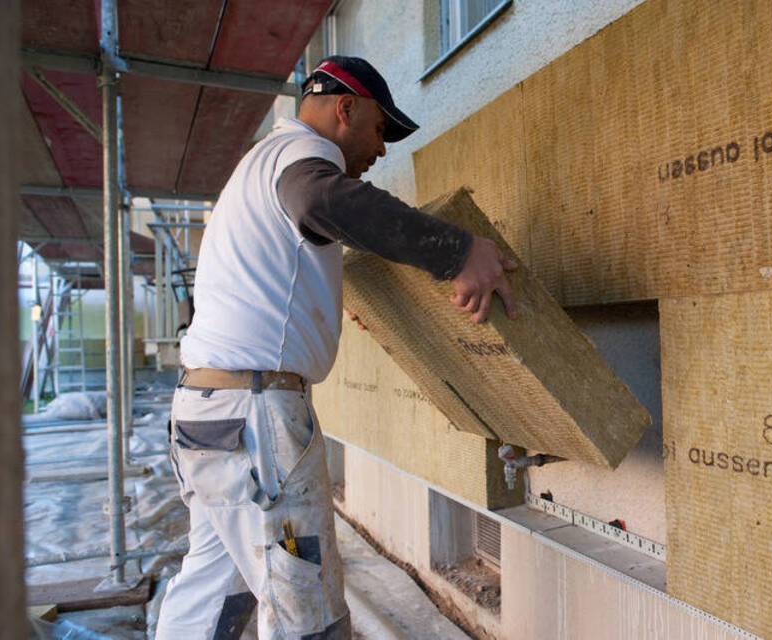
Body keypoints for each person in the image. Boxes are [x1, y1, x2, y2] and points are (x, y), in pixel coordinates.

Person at [156, 56, 518, 639]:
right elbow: (322, 203)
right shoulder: (305, 157)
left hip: (206, 414)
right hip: (254, 421)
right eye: (379, 130)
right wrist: (458, 251)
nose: (380, 151)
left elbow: (284, 258)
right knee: (306, 612)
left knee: (212, 592)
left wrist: (324, 304)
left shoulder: (259, 165)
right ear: (345, 108)